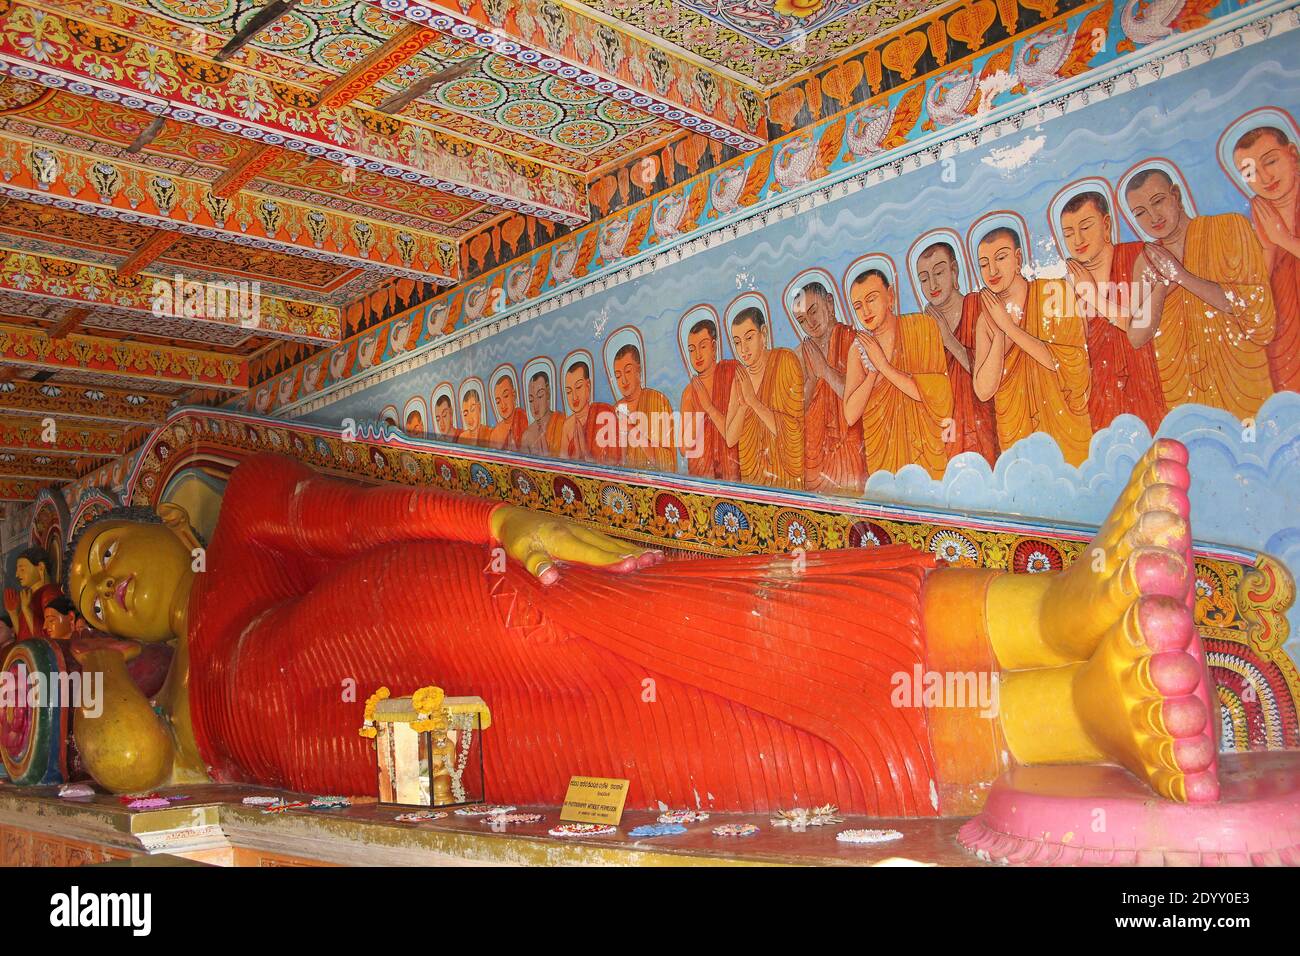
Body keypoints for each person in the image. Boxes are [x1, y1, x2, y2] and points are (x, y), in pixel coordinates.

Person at [66, 440, 1217, 812]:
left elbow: (368, 516)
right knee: (703, 758)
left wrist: (499, 519)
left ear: (163, 516)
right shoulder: (177, 719)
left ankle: (1061, 604)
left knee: (679, 624)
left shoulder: (244, 520)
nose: (106, 579)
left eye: (109, 547)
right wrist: (71, 677)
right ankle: (1074, 711)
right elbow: (121, 764)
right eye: (88, 589)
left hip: (425, 615)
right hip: (425, 760)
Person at [1124, 166, 1275, 418]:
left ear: (1176, 194)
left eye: (1158, 201)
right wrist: (1162, 285)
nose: (1153, 216)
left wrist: (1181, 276)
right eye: (1140, 213)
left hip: (1240, 380)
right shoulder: (1147, 262)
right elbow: (1136, 337)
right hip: (1184, 391)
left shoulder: (1229, 227)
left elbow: (1253, 305)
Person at [972, 226, 1092, 465]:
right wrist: (998, 334)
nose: (992, 270)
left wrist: (1011, 329)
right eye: (984, 264)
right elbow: (984, 390)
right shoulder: (986, 320)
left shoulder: (1054, 293)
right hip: (1017, 435)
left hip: (1064, 428)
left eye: (1001, 257)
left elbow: (1073, 365)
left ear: (1018, 259)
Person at [1058, 190, 1167, 433]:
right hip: (1100, 396)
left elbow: (1138, 327)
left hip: (1145, 383)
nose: (1077, 240)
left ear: (1106, 225)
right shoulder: (1067, 285)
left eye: (1086, 227)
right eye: (1068, 233)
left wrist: (1092, 296)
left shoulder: (1139, 256)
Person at [842, 269, 953, 479]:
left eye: (871, 299)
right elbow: (850, 414)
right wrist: (873, 373)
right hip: (883, 453)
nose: (865, 311)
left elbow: (936, 395)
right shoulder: (859, 350)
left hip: (924, 448)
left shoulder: (921, 327)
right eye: (858, 306)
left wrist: (884, 366)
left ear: (890, 296)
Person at [914, 241, 999, 465]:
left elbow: (990, 375)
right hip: (946, 431)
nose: (932, 284)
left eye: (939, 272)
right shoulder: (923, 329)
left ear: (954, 271)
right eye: (924, 279)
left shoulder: (979, 307)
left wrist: (948, 340)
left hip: (982, 424)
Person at [1231, 125, 1300, 393]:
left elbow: (1279, 243)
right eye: (1250, 172)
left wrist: (1283, 239)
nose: (1265, 176)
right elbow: (1264, 275)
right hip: (1286, 326)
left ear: (1292, 154)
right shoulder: (1262, 211)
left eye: (1271, 161)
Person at [792, 282, 865, 493]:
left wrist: (824, 370)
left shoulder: (854, 341)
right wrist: (813, 379)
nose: (811, 323)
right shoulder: (801, 354)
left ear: (830, 303)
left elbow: (855, 398)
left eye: (813, 311)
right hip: (814, 453)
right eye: (802, 320)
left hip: (849, 447)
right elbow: (796, 413)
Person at [724, 307, 804, 488]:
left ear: (764, 334)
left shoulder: (785, 361)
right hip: (752, 475)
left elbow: (793, 432)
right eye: (737, 342)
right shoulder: (740, 379)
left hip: (784, 476)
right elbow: (730, 438)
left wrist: (754, 402)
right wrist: (744, 406)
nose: (743, 349)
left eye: (749, 338)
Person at [679, 318, 740, 481]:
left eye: (703, 346)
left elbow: (737, 434)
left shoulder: (731, 373)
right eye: (692, 350)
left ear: (714, 347)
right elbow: (684, 449)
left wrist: (708, 407)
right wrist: (699, 412)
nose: (697, 355)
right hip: (702, 474)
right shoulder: (689, 392)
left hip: (732, 471)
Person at [4, 546, 62, 641]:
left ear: (40, 567)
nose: (17, 575)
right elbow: (24, 637)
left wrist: (26, 609)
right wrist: (13, 613)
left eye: (22, 569)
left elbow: (45, 638)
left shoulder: (50, 592)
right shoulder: (28, 597)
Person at [519, 371, 566, 457]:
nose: (535, 405)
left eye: (540, 396)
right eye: (531, 400)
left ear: (548, 393)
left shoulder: (563, 423)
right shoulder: (527, 436)